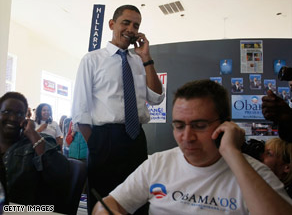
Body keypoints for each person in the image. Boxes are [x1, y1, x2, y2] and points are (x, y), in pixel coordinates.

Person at [93, 80, 292, 215]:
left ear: (225, 125)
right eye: (179, 126)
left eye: (200, 126)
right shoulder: (158, 163)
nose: (187, 137)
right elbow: (107, 204)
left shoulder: (255, 174)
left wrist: (232, 153)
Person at [71, 4, 165, 214]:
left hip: (136, 139)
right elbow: (80, 110)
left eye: (136, 25)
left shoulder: (139, 62)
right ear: (112, 24)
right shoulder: (92, 60)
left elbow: (157, 97)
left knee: (139, 201)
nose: (131, 29)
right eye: (126, 22)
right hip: (104, 139)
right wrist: (95, 144)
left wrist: (147, 58)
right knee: (103, 203)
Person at [0, 92, 70, 213]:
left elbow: (61, 175)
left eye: (19, 114)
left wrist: (32, 134)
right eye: (7, 112)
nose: (12, 118)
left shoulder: (40, 140)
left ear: (26, 119)